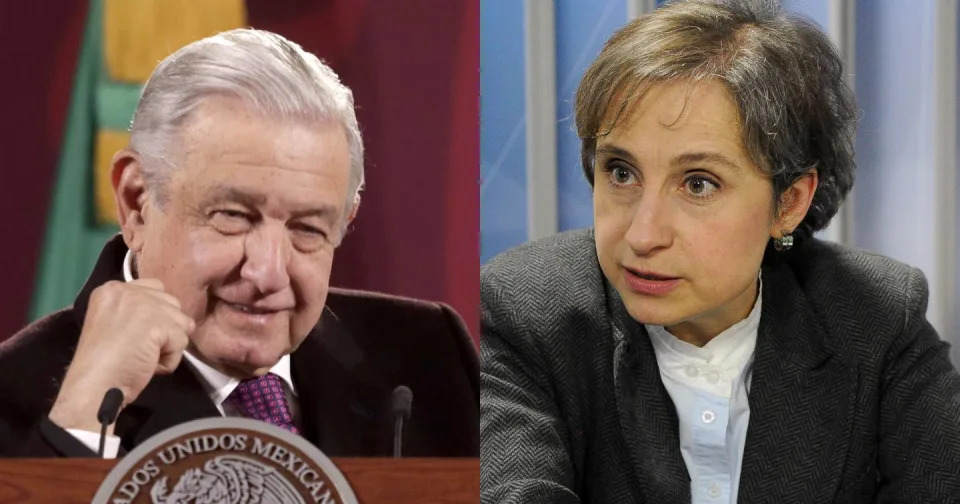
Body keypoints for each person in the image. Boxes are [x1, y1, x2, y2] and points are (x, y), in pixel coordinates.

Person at [479, 1, 960, 503]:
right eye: (621, 172)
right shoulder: (525, 312)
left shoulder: (876, 318)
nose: (643, 236)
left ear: (789, 203)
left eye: (699, 184)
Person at [0, 28, 478, 459]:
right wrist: (82, 422)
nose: (268, 273)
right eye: (232, 216)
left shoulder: (431, 359)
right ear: (137, 201)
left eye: (307, 228)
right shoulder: (19, 399)